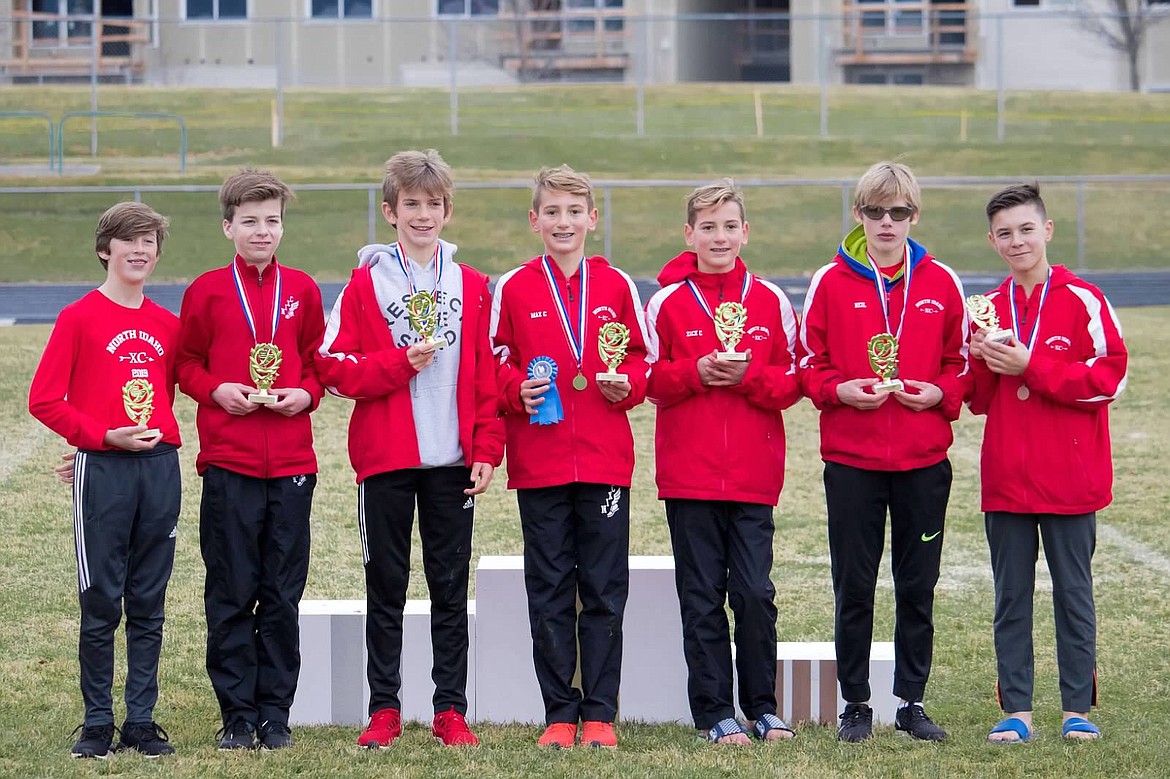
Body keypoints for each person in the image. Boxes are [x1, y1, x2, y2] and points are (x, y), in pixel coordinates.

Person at [316, 149, 503, 749]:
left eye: (433, 204)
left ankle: (450, 708)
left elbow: (487, 373)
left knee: (449, 588)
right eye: (411, 205)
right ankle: (385, 707)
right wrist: (398, 364)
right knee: (386, 585)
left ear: (447, 211)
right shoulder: (366, 283)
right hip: (387, 462)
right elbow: (333, 366)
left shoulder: (472, 285)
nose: (422, 215)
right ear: (389, 211)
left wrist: (487, 448)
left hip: (452, 463)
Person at [797, 161, 969, 742]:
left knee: (917, 584)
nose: (887, 223)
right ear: (858, 215)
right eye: (875, 212)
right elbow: (807, 363)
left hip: (923, 462)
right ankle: (856, 703)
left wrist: (941, 393)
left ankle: (911, 702)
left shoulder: (941, 282)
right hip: (852, 463)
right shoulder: (829, 281)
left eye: (898, 213)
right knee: (855, 583)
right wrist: (836, 390)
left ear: (914, 217)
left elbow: (960, 363)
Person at [489, 165, 649, 749]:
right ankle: (560, 711)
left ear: (592, 219)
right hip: (540, 460)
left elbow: (639, 361)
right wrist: (515, 390)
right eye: (551, 212)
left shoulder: (618, 285)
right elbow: (494, 363)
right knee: (550, 586)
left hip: (606, 461)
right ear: (535, 220)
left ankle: (601, 712)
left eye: (574, 212)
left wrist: (624, 385)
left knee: (605, 588)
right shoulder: (511, 287)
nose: (563, 222)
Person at [644, 179, 801, 745]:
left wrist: (749, 377)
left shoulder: (771, 300)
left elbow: (792, 382)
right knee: (703, 596)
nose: (719, 236)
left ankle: (763, 705)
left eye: (729, 226)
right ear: (689, 234)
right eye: (707, 226)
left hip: (755, 478)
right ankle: (714, 712)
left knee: (755, 594)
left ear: (745, 232)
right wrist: (695, 374)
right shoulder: (665, 302)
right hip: (690, 477)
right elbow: (645, 379)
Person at [969, 183, 1127, 744]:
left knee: (1073, 593)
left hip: (1070, 477)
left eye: (1026, 230)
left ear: (1048, 230)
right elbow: (980, 399)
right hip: (1007, 477)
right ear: (993, 241)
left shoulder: (1083, 299)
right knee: (1010, 597)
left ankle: (1075, 709)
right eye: (1005, 234)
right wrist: (982, 358)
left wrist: (1030, 363)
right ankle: (1017, 710)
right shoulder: (986, 308)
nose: (1017, 242)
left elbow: (1108, 381)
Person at [176, 170, 326, 750]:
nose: (262, 231)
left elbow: (317, 362)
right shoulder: (207, 291)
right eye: (250, 221)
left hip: (291, 463)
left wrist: (305, 395)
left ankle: (275, 713)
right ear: (227, 227)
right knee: (232, 590)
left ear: (282, 226)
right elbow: (185, 363)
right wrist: (215, 390)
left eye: (272, 220)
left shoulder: (304, 290)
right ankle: (237, 713)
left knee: (283, 594)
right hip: (230, 462)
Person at [29, 202, 181, 759]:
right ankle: (97, 722)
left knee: (149, 599)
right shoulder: (79, 317)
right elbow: (43, 399)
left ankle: (140, 720)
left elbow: (179, 391)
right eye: (129, 241)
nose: (140, 251)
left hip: (160, 468)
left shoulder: (169, 324)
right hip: (105, 471)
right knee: (101, 599)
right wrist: (98, 439)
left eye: (149, 242)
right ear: (105, 250)